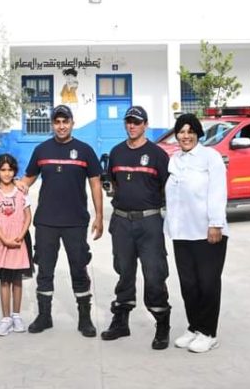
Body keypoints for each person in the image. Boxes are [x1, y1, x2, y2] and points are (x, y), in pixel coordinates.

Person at [20, 104, 104, 337]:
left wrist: (99, 216)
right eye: (57, 122)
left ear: (72, 123)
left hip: (75, 222)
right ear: (52, 124)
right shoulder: (42, 150)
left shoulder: (85, 151)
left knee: (79, 269)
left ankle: (85, 318)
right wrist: (15, 186)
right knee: (44, 270)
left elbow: (95, 183)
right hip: (46, 221)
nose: (61, 126)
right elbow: (28, 179)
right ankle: (44, 316)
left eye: (65, 121)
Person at [100, 106, 173, 350]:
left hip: (149, 221)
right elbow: (112, 185)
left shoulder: (157, 154)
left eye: (137, 122)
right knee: (123, 270)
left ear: (146, 125)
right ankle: (121, 321)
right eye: (129, 122)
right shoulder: (117, 152)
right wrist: (107, 185)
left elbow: (169, 189)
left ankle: (162, 324)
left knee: (154, 273)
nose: (132, 126)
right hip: (121, 221)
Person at [164, 113, 229, 353]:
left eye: (190, 131)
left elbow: (218, 191)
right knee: (188, 284)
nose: (185, 136)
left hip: (207, 231)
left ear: (198, 134)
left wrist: (215, 223)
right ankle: (194, 327)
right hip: (182, 232)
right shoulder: (175, 159)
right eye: (181, 131)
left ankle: (208, 332)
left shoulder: (210, 158)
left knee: (208, 283)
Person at [0, 153, 32, 336]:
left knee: (17, 280)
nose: (7, 173)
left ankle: (16, 316)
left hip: (18, 241)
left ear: (15, 171)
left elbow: (28, 216)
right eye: (3, 170)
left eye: (10, 169)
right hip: (1, 242)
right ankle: (5, 319)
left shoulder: (21, 192)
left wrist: (20, 236)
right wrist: (4, 239)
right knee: (4, 281)